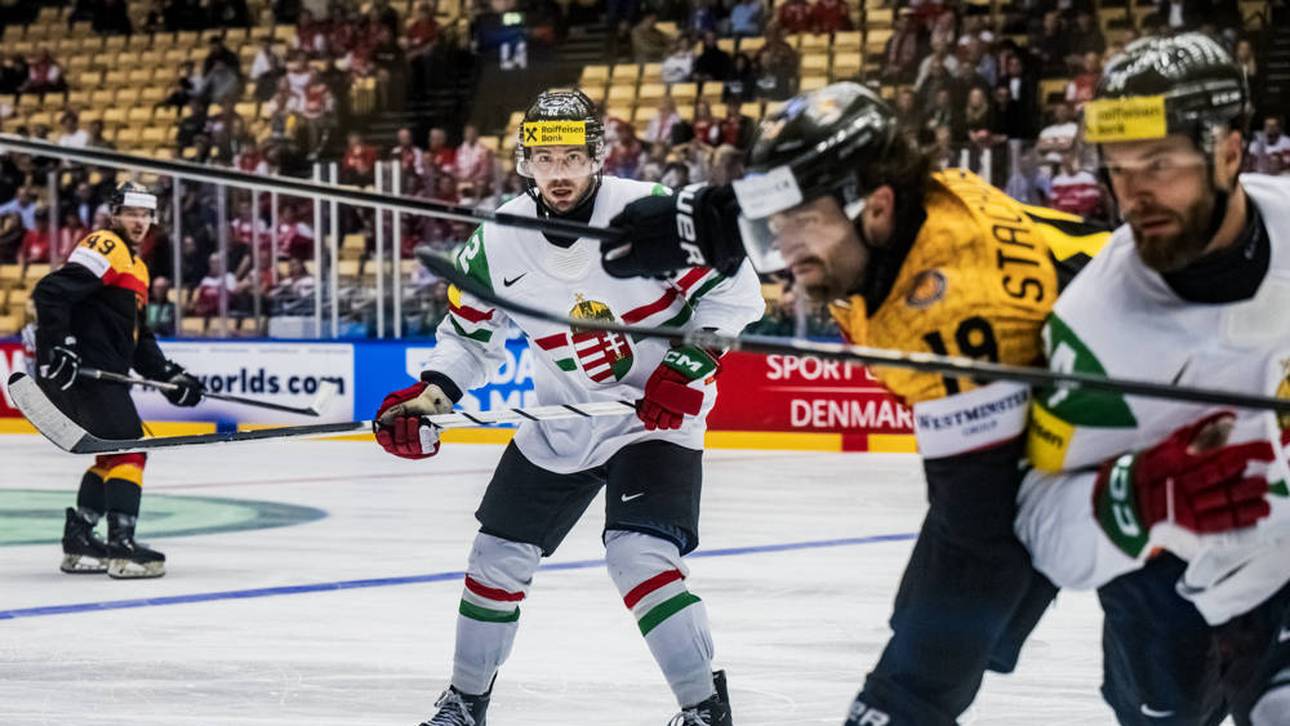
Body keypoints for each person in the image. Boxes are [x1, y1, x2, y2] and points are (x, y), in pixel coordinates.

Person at [599, 81, 1110, 725]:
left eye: (800, 228)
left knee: (1164, 687)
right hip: (1063, 410)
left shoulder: (948, 313)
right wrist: (704, 222)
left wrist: (900, 702)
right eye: (773, 228)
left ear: (876, 207)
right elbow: (812, 197)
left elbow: (982, 538)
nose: (785, 256)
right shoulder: (902, 203)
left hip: (1175, 430)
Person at [373, 89, 763, 726]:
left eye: (571, 157)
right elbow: (469, 338)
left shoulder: (650, 215)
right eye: (544, 157)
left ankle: (703, 710)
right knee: (496, 556)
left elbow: (736, 297)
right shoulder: (497, 241)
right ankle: (465, 703)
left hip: (653, 418)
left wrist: (683, 371)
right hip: (563, 420)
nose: (558, 172)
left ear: (597, 157)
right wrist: (431, 397)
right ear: (526, 162)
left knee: (639, 555)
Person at [1014, 33, 1290, 725]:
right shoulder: (1095, 328)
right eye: (1118, 167)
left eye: (1160, 163)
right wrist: (1137, 496)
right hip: (1161, 575)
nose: (1135, 192)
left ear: (1229, 152)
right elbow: (1044, 523)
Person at [32, 182, 205, 579]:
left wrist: (169, 375)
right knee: (131, 450)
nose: (139, 221)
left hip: (101, 373)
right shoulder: (106, 246)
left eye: (145, 215)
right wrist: (61, 346)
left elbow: (138, 338)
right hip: (87, 373)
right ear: (115, 215)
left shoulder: (137, 266)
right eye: (132, 213)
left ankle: (81, 542)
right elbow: (51, 292)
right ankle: (122, 549)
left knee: (112, 456)